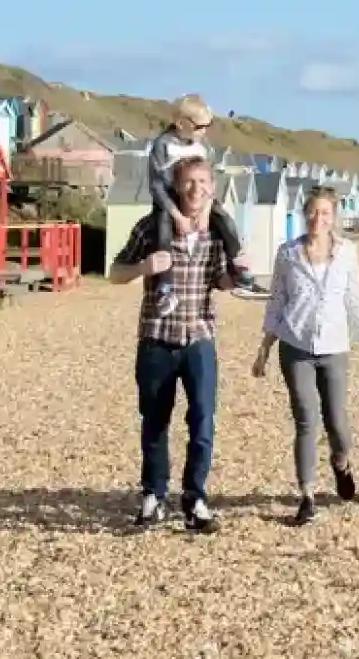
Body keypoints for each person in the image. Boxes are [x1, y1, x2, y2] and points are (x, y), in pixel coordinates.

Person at [110, 154, 235, 533]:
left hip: (199, 340)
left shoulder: (218, 232)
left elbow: (220, 281)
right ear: (176, 188)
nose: (196, 189)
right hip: (156, 340)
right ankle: (153, 495)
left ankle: (195, 498)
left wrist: (236, 277)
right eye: (188, 182)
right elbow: (115, 272)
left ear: (212, 187)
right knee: (154, 421)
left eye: (202, 182)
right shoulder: (152, 228)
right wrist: (145, 267)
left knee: (202, 421)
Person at [252, 186, 359, 526]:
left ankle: (341, 463)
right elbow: (276, 302)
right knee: (306, 420)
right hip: (295, 346)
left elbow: (355, 299)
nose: (318, 219)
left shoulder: (346, 252)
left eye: (325, 213)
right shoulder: (288, 254)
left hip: (335, 346)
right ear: (304, 214)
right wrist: (264, 349)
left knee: (337, 422)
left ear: (333, 217)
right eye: (313, 212)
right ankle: (307, 496)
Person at [145, 94, 256, 316]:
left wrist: (205, 210)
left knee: (224, 220)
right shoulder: (163, 145)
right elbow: (157, 187)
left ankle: (239, 266)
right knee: (163, 232)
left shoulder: (202, 146)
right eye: (199, 126)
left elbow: (210, 179)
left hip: (200, 199)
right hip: (169, 201)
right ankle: (165, 286)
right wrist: (178, 216)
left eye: (208, 126)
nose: (204, 131)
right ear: (181, 123)